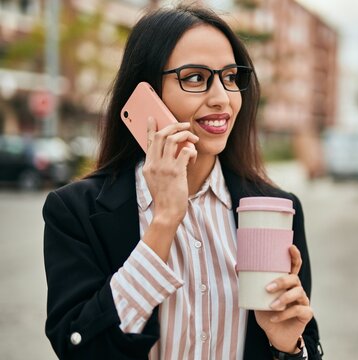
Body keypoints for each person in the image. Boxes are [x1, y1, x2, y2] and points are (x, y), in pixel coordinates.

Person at [42, 3, 322, 360]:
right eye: (194, 78)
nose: (222, 98)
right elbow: (80, 349)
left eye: (231, 77)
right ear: (146, 94)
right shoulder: (76, 211)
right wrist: (163, 222)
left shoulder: (275, 210)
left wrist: (287, 347)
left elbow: (305, 344)